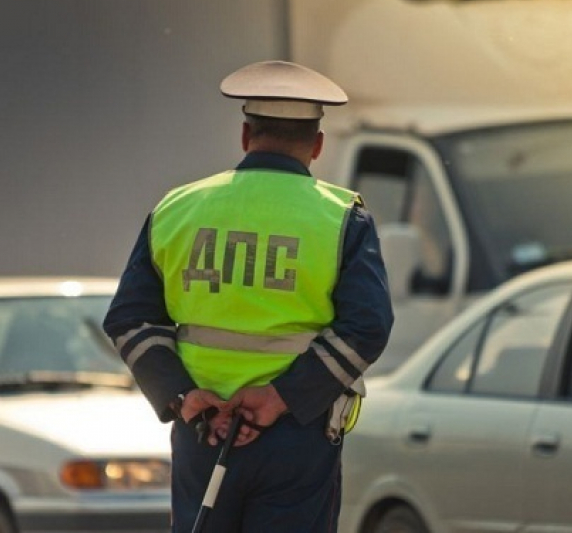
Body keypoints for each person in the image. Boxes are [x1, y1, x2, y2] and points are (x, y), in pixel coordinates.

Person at [102, 60, 394, 532]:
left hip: (201, 428)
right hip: (297, 436)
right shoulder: (342, 219)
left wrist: (184, 396)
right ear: (317, 145)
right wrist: (281, 398)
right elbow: (367, 327)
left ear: (245, 135)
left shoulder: (177, 207)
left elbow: (130, 320)